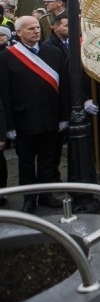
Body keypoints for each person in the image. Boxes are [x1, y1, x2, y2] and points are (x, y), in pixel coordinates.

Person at [0, 16, 70, 213]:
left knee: (49, 161)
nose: (35, 31)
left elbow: (64, 87)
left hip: (51, 118)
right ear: (19, 32)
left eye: (37, 28)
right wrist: (9, 126)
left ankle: (47, 195)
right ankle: (29, 199)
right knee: (26, 163)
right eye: (30, 29)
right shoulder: (6, 58)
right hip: (23, 120)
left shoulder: (54, 53)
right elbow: (4, 94)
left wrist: (64, 116)